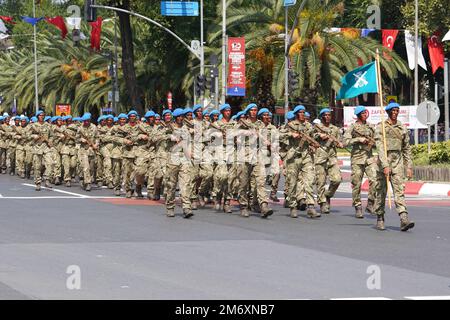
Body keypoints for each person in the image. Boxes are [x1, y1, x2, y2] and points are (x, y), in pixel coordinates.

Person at [374, 102, 415, 231]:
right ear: (388, 112)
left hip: (397, 162)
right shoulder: (381, 127)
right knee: (380, 192)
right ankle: (380, 217)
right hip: (383, 163)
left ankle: (403, 218)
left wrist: (408, 166)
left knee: (399, 191)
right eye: (392, 110)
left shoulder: (402, 127)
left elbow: (406, 148)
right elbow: (380, 148)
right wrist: (385, 165)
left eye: (397, 110)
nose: (395, 112)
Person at [280, 105, 320, 218]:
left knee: (309, 180)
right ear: (297, 114)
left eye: (304, 112)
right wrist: (291, 134)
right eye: (301, 112)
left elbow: (313, 137)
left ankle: (311, 206)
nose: (303, 114)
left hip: (306, 156)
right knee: (292, 182)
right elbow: (279, 135)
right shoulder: (290, 125)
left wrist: (314, 144)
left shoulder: (308, 126)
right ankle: (293, 206)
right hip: (293, 156)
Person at [235, 103, 273, 218]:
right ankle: (243, 206)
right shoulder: (242, 123)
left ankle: (264, 205)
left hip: (257, 155)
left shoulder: (260, 124)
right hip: (245, 155)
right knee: (243, 183)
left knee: (260, 181)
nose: (254, 112)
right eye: (251, 110)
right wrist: (246, 133)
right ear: (248, 112)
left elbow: (265, 137)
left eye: (255, 110)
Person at [343, 106, 378, 218]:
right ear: (358, 115)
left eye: (365, 113)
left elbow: (378, 140)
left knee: (375, 180)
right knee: (356, 183)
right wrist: (358, 139)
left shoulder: (371, 126)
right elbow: (345, 142)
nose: (365, 114)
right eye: (362, 113)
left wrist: (374, 143)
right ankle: (358, 206)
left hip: (369, 157)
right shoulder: (352, 127)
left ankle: (371, 203)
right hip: (357, 159)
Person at [163, 108, 194, 218]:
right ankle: (170, 207)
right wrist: (169, 137)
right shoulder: (168, 127)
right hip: (172, 159)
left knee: (185, 184)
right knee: (171, 185)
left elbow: (189, 142)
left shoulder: (186, 129)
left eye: (182, 116)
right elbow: (156, 137)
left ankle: (186, 207)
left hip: (184, 159)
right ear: (175, 118)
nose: (180, 118)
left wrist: (191, 153)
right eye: (178, 117)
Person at [313, 108, 343, 214]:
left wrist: (339, 143)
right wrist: (319, 135)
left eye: (329, 115)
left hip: (332, 158)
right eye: (325, 115)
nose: (327, 117)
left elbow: (340, 141)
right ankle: (322, 203)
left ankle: (328, 195)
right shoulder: (316, 127)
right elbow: (310, 136)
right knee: (320, 182)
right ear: (321, 116)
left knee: (337, 180)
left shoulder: (334, 129)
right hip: (320, 157)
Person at [30, 110, 54, 191]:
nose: (42, 116)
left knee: (50, 163)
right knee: (37, 166)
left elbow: (52, 135)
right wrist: (34, 136)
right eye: (40, 115)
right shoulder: (33, 125)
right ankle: (38, 183)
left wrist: (50, 141)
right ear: (37, 116)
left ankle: (47, 180)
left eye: (43, 115)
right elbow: (27, 135)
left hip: (46, 147)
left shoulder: (48, 125)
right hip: (37, 148)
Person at [76, 113, 99, 191]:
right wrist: (81, 140)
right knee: (86, 167)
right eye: (85, 121)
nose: (86, 122)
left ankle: (84, 179)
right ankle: (88, 183)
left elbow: (97, 137)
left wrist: (96, 144)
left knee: (92, 168)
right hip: (83, 150)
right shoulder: (80, 128)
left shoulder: (94, 127)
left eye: (87, 121)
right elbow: (76, 138)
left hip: (92, 150)